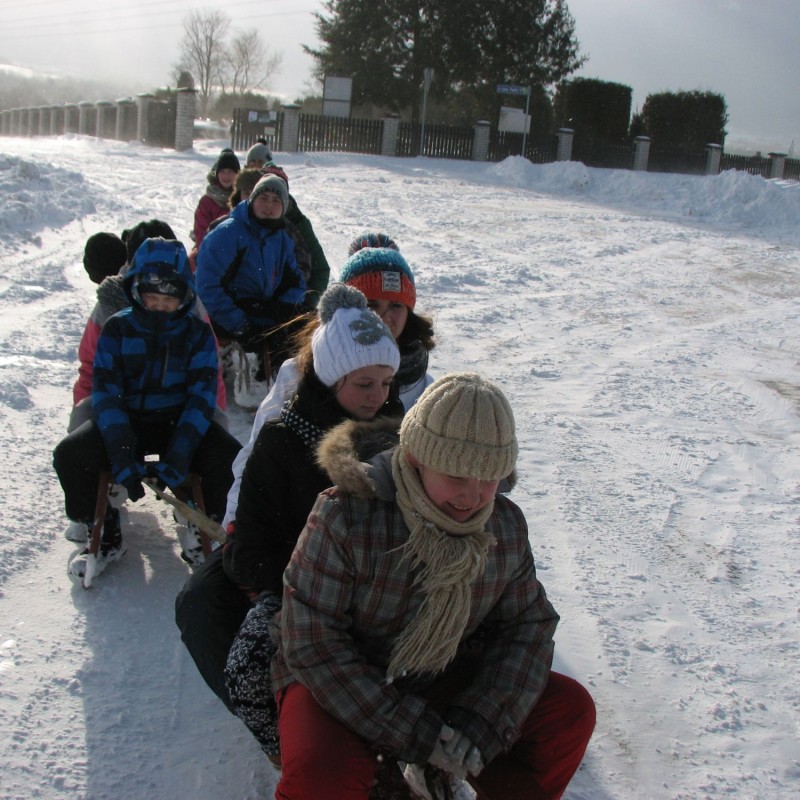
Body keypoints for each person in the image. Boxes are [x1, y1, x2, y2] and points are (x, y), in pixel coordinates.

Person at [269, 372, 596, 799]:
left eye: (489, 478)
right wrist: (414, 732)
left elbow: (527, 627)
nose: (473, 496)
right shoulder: (346, 516)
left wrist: (481, 722)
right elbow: (312, 640)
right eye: (456, 476)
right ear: (415, 459)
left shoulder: (503, 527)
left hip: (436, 673)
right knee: (324, 779)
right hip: (336, 682)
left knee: (568, 711)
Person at [174, 283, 403, 728]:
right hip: (295, 581)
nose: (378, 395)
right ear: (330, 377)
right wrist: (305, 584)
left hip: (378, 586)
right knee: (208, 612)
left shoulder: (395, 434)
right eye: (363, 384)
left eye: (386, 383)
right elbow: (254, 535)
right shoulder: (284, 437)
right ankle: (279, 731)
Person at [53, 238, 241, 579]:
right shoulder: (117, 329)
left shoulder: (197, 333)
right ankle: (103, 524)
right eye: (150, 299)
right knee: (71, 454)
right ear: (136, 291)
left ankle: (199, 518)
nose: (158, 308)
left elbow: (202, 396)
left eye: (168, 301)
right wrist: (123, 454)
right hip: (127, 419)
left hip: (178, 419)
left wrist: (180, 454)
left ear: (183, 297)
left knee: (228, 455)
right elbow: (107, 395)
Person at [220, 233, 435, 529]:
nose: (385, 318)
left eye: (396, 305)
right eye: (372, 304)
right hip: (300, 522)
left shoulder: (423, 387)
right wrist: (236, 518)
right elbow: (257, 457)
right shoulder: (301, 373)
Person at [195, 173, 310, 383]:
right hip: (229, 310)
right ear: (251, 199)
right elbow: (206, 287)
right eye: (263, 198)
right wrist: (240, 325)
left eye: (276, 201)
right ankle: (242, 371)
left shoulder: (282, 238)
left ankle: (285, 380)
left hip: (262, 307)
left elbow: (296, 282)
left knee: (306, 324)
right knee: (260, 338)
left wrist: (284, 309)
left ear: (284, 207)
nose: (269, 205)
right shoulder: (229, 233)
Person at [261, 162, 330, 307]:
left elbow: (320, 269)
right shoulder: (242, 222)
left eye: (277, 196)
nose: (269, 204)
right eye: (265, 195)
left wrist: (306, 303)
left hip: (290, 309)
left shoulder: (299, 223)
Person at [192, 148, 240, 251]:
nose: (226, 176)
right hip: (210, 251)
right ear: (217, 173)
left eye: (230, 171)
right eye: (222, 171)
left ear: (237, 174)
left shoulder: (242, 197)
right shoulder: (207, 201)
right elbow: (200, 231)